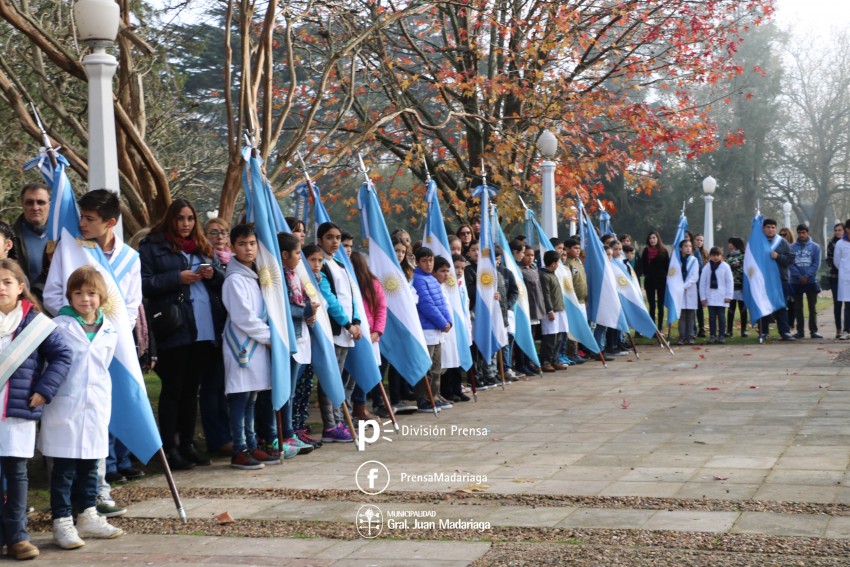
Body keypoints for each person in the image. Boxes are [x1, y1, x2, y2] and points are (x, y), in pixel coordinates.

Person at [42, 189, 143, 517]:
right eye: (81, 216)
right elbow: (54, 294)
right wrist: (78, 322)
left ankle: (98, 490)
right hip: (74, 342)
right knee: (76, 418)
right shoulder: (70, 251)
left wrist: (112, 335)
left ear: (110, 222)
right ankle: (75, 500)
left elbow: (130, 305)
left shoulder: (130, 258)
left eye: (90, 219)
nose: (81, 223)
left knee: (102, 417)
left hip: (111, 345)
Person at [139, 199, 226, 470]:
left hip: (203, 327)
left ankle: (188, 445)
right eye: (180, 219)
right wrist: (177, 277)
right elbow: (143, 283)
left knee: (192, 390)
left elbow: (223, 280)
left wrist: (212, 274)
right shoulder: (153, 245)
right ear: (170, 220)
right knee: (173, 388)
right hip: (174, 327)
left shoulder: (202, 245)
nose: (186, 224)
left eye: (190, 218)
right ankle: (169, 447)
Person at [41, 266, 123, 549]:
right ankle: (62, 521)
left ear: (101, 297)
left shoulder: (109, 329)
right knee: (63, 469)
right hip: (66, 405)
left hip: (95, 406)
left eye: (91, 293)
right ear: (69, 296)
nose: (85, 299)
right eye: (78, 293)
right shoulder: (58, 326)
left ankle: (88, 514)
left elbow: (104, 365)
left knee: (91, 465)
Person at [0, 259, 70, 559]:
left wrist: (44, 389)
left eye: (6, 282)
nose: (0, 288)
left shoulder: (36, 322)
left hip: (17, 412)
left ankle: (18, 537)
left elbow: (62, 355)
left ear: (20, 287)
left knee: (16, 474)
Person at [221, 224, 281, 469]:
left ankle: (252, 444)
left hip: (257, 345)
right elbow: (243, 317)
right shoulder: (234, 279)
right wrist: (271, 338)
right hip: (242, 347)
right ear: (233, 247)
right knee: (240, 397)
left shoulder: (254, 275)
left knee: (252, 398)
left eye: (252, 243)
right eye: (243, 244)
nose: (248, 249)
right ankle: (240, 449)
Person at [316, 222, 362, 442]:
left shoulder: (341, 265)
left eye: (337, 238)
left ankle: (340, 419)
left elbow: (351, 297)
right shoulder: (321, 266)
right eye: (329, 237)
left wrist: (357, 320)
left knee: (341, 378)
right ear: (319, 240)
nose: (334, 242)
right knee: (330, 377)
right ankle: (330, 425)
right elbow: (330, 299)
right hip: (335, 330)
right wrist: (346, 323)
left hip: (347, 330)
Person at [412, 248, 452, 412]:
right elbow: (427, 305)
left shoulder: (433, 280)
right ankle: (423, 399)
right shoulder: (419, 279)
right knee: (426, 368)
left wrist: (448, 321)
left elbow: (442, 303)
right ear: (417, 262)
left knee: (436, 368)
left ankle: (434, 396)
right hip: (427, 329)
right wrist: (442, 322)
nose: (428, 264)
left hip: (438, 330)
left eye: (431, 261)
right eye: (424, 261)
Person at [349, 251, 386, 418]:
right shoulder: (348, 284)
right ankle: (352, 408)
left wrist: (376, 332)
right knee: (352, 373)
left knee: (365, 369)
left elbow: (381, 310)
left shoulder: (372, 284)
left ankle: (361, 405)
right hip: (353, 333)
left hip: (370, 336)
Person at [757, 219, 796, 343]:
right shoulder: (758, 242)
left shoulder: (782, 242)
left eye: (773, 227)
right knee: (764, 307)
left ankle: (784, 331)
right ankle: (763, 332)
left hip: (780, 280)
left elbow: (791, 259)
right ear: (763, 228)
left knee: (781, 306)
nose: (770, 229)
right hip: (764, 281)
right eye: (768, 227)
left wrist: (778, 256)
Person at [12, 182, 50, 299]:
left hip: (62, 307)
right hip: (27, 306)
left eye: (41, 202)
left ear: (50, 204)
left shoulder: (63, 235)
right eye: (29, 202)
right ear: (22, 204)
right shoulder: (10, 239)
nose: (35, 207)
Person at [790, 224, 822, 339]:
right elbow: (791, 263)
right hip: (796, 281)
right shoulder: (792, 247)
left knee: (812, 308)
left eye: (803, 232)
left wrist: (807, 276)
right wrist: (799, 276)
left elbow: (816, 263)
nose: (801, 235)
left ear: (807, 232)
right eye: (799, 233)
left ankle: (813, 331)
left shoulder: (815, 247)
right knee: (798, 308)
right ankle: (800, 331)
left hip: (811, 280)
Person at [518, 245, 545, 374]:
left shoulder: (534, 268)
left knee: (532, 337)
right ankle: (521, 363)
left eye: (532, 255)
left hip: (535, 308)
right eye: (527, 255)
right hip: (525, 308)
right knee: (525, 336)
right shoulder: (519, 270)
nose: (529, 257)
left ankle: (529, 362)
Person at [539, 251, 567, 372]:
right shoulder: (544, 275)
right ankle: (546, 361)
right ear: (554, 263)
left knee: (559, 337)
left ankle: (555, 360)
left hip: (559, 309)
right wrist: (549, 310)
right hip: (551, 311)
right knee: (550, 338)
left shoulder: (553, 274)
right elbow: (546, 295)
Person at [699, 247, 733, 344]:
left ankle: (721, 335)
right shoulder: (706, 268)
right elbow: (702, 283)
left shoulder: (725, 266)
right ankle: (712, 335)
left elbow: (729, 282)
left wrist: (729, 295)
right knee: (712, 317)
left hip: (722, 296)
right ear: (710, 256)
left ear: (721, 256)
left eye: (717, 255)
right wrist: (703, 297)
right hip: (710, 296)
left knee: (722, 317)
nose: (715, 257)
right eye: (713, 255)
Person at [638, 231, 669, 330]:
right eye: (650, 238)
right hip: (649, 280)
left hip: (661, 281)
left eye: (654, 238)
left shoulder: (663, 251)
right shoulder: (646, 251)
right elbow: (642, 265)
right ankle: (652, 328)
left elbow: (667, 266)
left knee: (660, 305)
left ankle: (659, 328)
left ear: (658, 239)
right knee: (651, 305)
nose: (652, 240)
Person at [676, 239, 699, 345]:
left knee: (690, 315)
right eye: (686, 246)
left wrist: (684, 286)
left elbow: (694, 277)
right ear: (681, 248)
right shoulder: (677, 261)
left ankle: (690, 336)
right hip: (679, 291)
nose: (688, 248)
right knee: (682, 315)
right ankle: (682, 336)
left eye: (690, 246)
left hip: (690, 290)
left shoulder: (694, 260)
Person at [826, 223, 846, 338]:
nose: (838, 232)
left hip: (847, 277)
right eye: (836, 230)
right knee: (837, 304)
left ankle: (846, 328)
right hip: (835, 277)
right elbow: (829, 259)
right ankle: (838, 328)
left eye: (840, 230)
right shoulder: (832, 243)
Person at [725, 237, 748, 337]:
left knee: (743, 309)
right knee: (731, 309)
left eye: (730, 243)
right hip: (731, 287)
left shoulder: (744, 256)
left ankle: (744, 330)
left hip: (742, 286)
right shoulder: (728, 256)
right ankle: (729, 330)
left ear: (735, 244)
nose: (728, 245)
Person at [834, 222, 850, 340]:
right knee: (848, 305)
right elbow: (837, 261)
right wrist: (845, 270)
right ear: (847, 229)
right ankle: (846, 330)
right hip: (846, 278)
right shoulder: (840, 243)